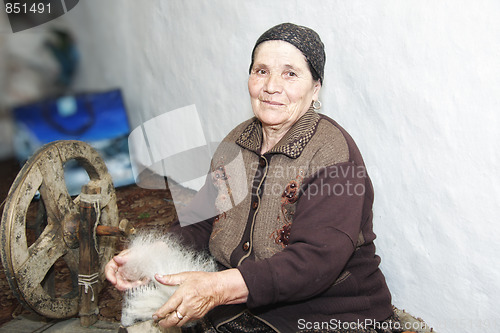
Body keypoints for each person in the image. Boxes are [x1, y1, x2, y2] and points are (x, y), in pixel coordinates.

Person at [106, 23, 396, 332]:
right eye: (261, 71)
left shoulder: (333, 153)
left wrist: (217, 287)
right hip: (244, 305)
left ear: (315, 88)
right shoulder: (239, 141)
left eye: (290, 74)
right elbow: (205, 220)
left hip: (328, 313)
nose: (271, 86)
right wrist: (152, 256)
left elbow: (314, 261)